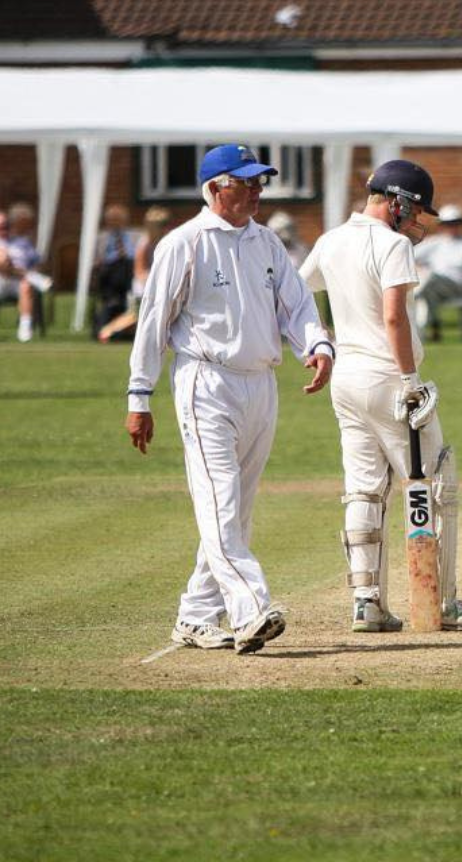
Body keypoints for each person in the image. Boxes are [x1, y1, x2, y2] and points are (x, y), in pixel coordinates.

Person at [126, 144, 334, 655]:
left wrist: (318, 344)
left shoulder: (266, 243)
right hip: (205, 380)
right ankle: (251, 609)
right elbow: (154, 320)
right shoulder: (184, 244)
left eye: (260, 181)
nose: (257, 191)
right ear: (216, 187)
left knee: (235, 508)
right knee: (220, 503)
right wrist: (140, 394)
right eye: (246, 182)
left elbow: (297, 304)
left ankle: (195, 615)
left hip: (260, 382)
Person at [299, 160, 462, 635]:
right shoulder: (390, 246)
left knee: (364, 486)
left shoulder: (330, 241)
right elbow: (395, 319)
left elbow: (295, 290)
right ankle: (443, 602)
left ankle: (366, 601)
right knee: (433, 479)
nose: (417, 223)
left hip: (347, 379)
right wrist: (410, 379)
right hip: (389, 378)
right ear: (396, 203)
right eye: (414, 212)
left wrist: (318, 340)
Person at [97, 206, 172, 344]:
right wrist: (153, 282)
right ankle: (107, 331)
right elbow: (139, 270)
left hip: (162, 283)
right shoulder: (144, 243)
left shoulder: (170, 241)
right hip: (144, 285)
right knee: (136, 314)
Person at [413, 204, 462, 341]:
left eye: (455, 223)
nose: (452, 227)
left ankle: (412, 295)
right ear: (442, 225)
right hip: (432, 289)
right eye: (448, 224)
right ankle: (418, 334)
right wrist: (419, 268)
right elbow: (408, 257)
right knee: (426, 286)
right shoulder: (434, 243)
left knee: (428, 278)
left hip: (458, 287)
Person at [0, 202, 52, 343]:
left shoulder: (23, 242)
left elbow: (37, 262)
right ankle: (33, 278)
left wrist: (32, 271)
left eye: (5, 226)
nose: (3, 230)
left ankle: (25, 327)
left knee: (26, 286)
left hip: (18, 282)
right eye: (0, 227)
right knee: (2, 258)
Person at [92, 204, 138, 339]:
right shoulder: (100, 238)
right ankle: (118, 298)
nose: (115, 223)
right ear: (107, 222)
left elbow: (138, 257)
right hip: (107, 274)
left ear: (125, 221)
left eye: (118, 219)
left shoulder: (136, 236)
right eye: (112, 220)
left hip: (131, 273)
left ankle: (116, 299)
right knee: (118, 264)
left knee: (125, 263)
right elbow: (94, 261)